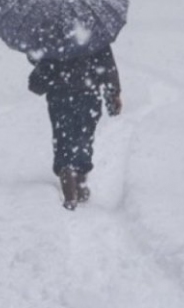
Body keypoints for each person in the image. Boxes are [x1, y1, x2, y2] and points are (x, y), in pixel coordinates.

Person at [27, 44, 122, 210]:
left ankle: (69, 183)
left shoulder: (49, 34)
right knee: (84, 137)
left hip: (59, 93)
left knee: (63, 137)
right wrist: (112, 93)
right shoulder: (95, 34)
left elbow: (36, 58)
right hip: (88, 92)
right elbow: (107, 65)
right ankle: (80, 179)